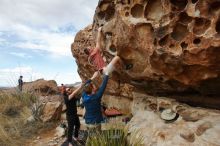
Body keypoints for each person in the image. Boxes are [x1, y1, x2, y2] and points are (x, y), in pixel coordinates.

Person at [82, 56, 121, 133]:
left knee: (91, 139)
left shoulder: (85, 95)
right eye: (93, 86)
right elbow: (103, 85)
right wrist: (106, 73)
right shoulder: (96, 97)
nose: (95, 85)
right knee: (97, 139)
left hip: (88, 123)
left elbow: (85, 86)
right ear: (92, 89)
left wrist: (92, 77)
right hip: (96, 123)